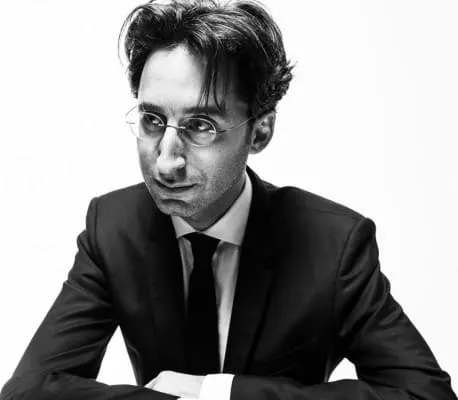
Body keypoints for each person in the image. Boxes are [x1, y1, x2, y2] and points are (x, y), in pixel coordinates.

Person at [1, 0, 456, 399]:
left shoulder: (334, 244)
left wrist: (220, 393)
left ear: (260, 131)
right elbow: (28, 390)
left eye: (201, 126)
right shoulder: (113, 226)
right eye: (152, 120)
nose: (166, 162)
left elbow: (424, 393)